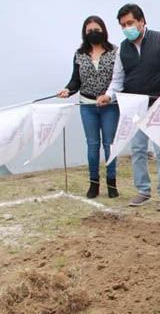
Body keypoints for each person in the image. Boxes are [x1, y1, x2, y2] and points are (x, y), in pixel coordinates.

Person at [97, 3, 160, 212]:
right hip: (135, 107)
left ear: (142, 21)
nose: (127, 28)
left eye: (130, 23)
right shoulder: (122, 49)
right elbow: (117, 80)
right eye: (123, 25)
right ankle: (143, 190)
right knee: (138, 150)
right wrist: (107, 95)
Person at [58, 16, 120, 199]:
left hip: (110, 105)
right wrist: (67, 90)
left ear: (104, 30)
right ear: (84, 34)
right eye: (89, 31)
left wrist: (109, 96)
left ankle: (111, 182)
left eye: (97, 29)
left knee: (110, 144)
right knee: (92, 145)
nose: (93, 33)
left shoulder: (115, 52)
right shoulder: (79, 54)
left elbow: (118, 79)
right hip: (87, 105)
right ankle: (94, 183)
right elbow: (75, 80)